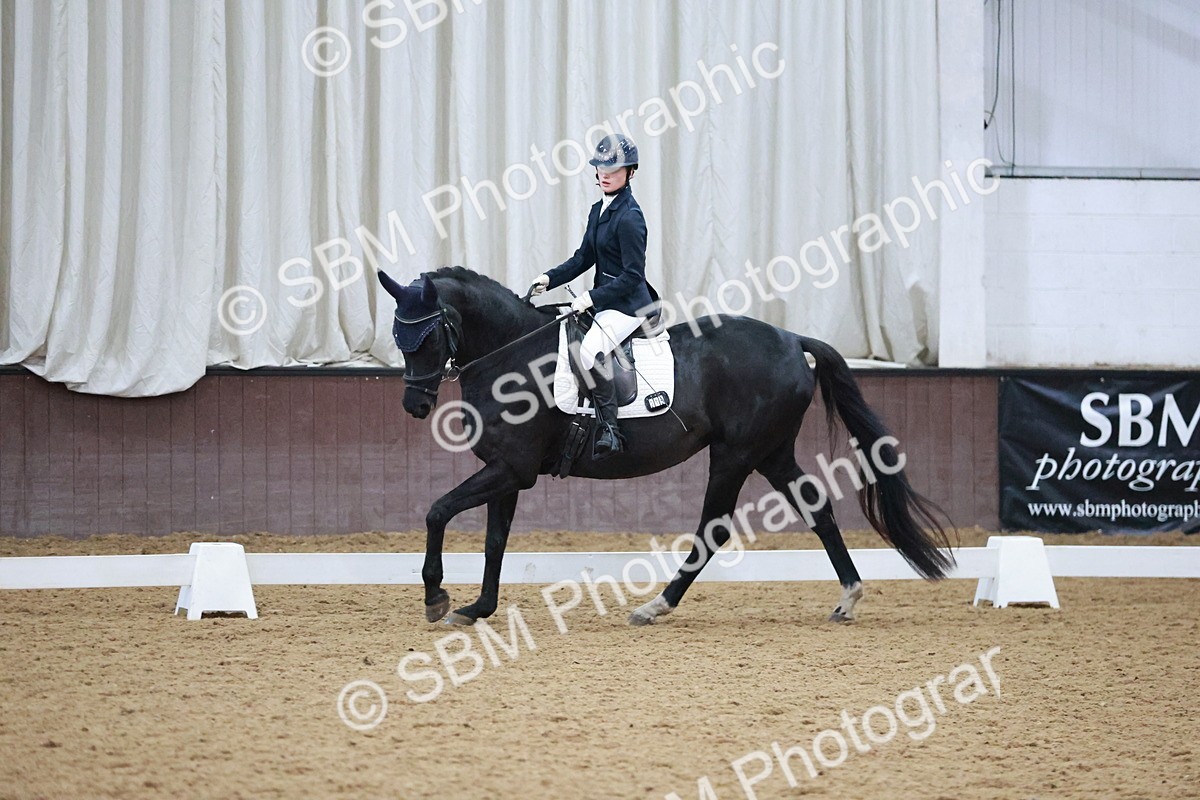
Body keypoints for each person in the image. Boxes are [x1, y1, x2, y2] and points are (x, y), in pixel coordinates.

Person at [529, 133, 657, 459]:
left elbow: (632, 276)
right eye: (600, 167)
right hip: (606, 300)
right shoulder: (599, 209)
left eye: (613, 170)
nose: (604, 174)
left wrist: (593, 297)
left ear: (630, 172)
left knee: (588, 352)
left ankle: (611, 432)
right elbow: (583, 258)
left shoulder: (630, 216)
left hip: (628, 305)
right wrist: (550, 277)